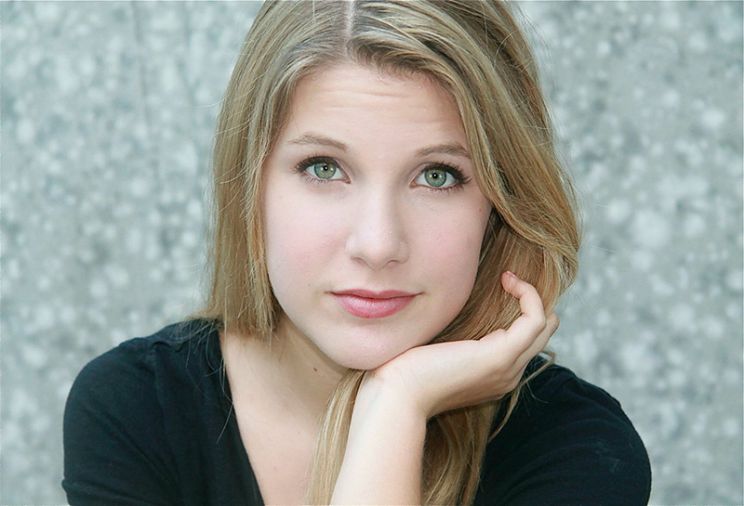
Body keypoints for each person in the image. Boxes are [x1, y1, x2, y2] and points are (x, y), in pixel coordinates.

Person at [62, 1, 652, 504]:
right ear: (250, 187)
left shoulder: (574, 448)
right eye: (324, 168)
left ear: (500, 206)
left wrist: (396, 404)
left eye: (437, 176)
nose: (377, 245)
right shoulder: (135, 410)